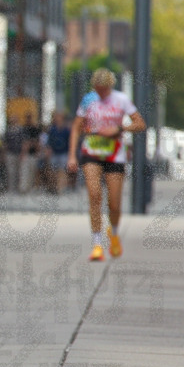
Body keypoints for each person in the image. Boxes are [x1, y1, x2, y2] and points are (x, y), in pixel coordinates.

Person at [67, 68, 146, 261]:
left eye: (104, 89)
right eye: (98, 89)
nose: (101, 93)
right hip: (91, 152)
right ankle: (97, 244)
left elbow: (140, 124)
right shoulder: (88, 100)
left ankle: (115, 234)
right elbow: (76, 128)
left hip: (114, 154)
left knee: (114, 203)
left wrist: (119, 128)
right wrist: (72, 156)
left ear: (111, 86)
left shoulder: (121, 100)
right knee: (94, 196)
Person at [42, 110, 72, 194]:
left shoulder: (66, 130)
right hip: (54, 153)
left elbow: (70, 141)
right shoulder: (52, 129)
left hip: (63, 153)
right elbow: (49, 141)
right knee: (52, 171)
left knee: (62, 170)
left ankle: (60, 188)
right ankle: (53, 187)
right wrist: (48, 149)